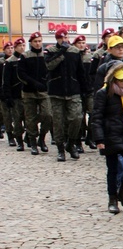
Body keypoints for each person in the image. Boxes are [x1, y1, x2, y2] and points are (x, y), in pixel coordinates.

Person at [90, 63, 123, 214]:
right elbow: (97, 117)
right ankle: (112, 198)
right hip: (110, 134)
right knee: (113, 169)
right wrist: (99, 139)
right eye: (122, 81)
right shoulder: (104, 93)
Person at [46, 28, 89, 162]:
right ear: (57, 39)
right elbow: (49, 66)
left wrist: (84, 89)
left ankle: (71, 143)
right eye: (61, 38)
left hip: (73, 90)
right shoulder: (51, 51)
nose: (64, 41)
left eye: (66, 38)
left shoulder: (75, 52)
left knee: (77, 117)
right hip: (56, 92)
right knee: (58, 122)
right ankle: (60, 149)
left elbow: (80, 72)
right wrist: (61, 51)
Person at [17, 32, 51, 155]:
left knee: (48, 115)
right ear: (31, 42)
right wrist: (33, 83)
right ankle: (32, 141)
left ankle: (42, 138)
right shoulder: (25, 56)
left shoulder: (46, 55)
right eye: (35, 41)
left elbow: (50, 71)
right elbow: (21, 74)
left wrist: (46, 83)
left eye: (39, 41)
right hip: (29, 91)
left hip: (44, 91)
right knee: (30, 118)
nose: (38, 43)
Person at [2, 37, 26, 151]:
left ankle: (29, 137)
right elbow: (5, 80)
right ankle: (12, 136)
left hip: (24, 93)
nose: (10, 50)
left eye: (12, 48)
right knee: (9, 117)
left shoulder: (24, 59)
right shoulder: (6, 62)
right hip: (8, 93)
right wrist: (6, 94)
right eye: (8, 48)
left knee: (28, 117)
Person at [74, 35, 94, 152]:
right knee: (79, 116)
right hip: (77, 90)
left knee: (93, 113)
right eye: (79, 43)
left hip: (89, 89)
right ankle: (78, 141)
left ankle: (90, 136)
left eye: (83, 42)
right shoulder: (73, 56)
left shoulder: (89, 57)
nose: (82, 45)